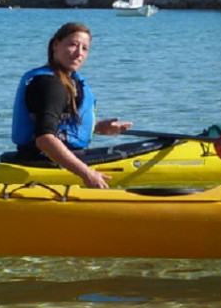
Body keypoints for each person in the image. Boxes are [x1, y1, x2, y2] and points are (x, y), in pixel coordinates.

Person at [11, 22, 133, 188]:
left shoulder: (67, 80)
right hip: (44, 162)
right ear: (56, 45)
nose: (79, 53)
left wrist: (96, 127)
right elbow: (44, 139)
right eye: (73, 45)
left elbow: (58, 125)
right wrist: (87, 174)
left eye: (85, 48)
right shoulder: (50, 84)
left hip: (51, 158)